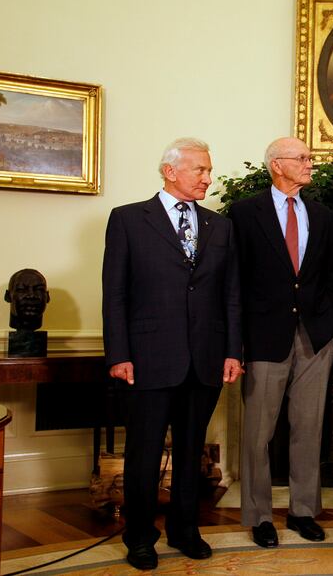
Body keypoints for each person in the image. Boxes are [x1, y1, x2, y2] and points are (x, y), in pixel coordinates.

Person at [102, 137, 243, 571]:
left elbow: (230, 294)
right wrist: (119, 354)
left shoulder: (220, 226)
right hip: (147, 358)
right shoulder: (128, 219)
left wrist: (232, 351)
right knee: (143, 453)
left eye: (208, 169)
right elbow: (115, 294)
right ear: (170, 171)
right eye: (200, 170)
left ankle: (185, 531)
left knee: (190, 451)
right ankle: (141, 536)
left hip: (205, 357)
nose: (208, 177)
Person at [228, 137, 333, 549]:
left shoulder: (324, 216)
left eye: (310, 157)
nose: (311, 164)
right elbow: (232, 282)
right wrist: (234, 344)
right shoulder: (243, 214)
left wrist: (331, 324)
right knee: (258, 433)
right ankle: (259, 516)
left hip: (315, 336)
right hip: (262, 337)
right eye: (303, 158)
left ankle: (303, 511)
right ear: (278, 165)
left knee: (309, 429)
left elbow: (329, 278)